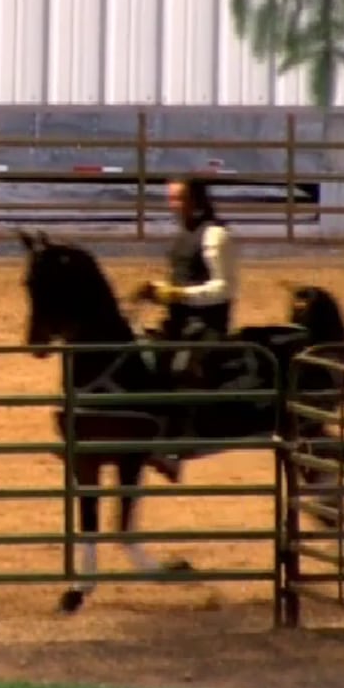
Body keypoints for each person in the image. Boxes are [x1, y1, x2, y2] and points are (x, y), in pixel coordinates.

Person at [133, 177, 240, 479]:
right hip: (179, 322)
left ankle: (177, 446)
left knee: (183, 368)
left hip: (208, 324)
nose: (173, 205)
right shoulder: (186, 235)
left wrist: (179, 294)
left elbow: (224, 287)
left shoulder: (216, 235)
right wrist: (158, 290)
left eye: (178, 199)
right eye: (171, 199)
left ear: (196, 200)